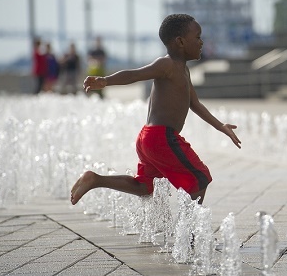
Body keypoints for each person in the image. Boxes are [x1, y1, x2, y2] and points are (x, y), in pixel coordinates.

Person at [70, 14, 242, 206]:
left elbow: (195, 104)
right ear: (181, 42)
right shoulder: (166, 64)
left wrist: (220, 126)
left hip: (149, 137)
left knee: (144, 186)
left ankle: (96, 179)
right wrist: (106, 81)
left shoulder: (183, 70)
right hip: (162, 138)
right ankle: (192, 235)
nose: (202, 42)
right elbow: (135, 74)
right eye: (198, 37)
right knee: (200, 177)